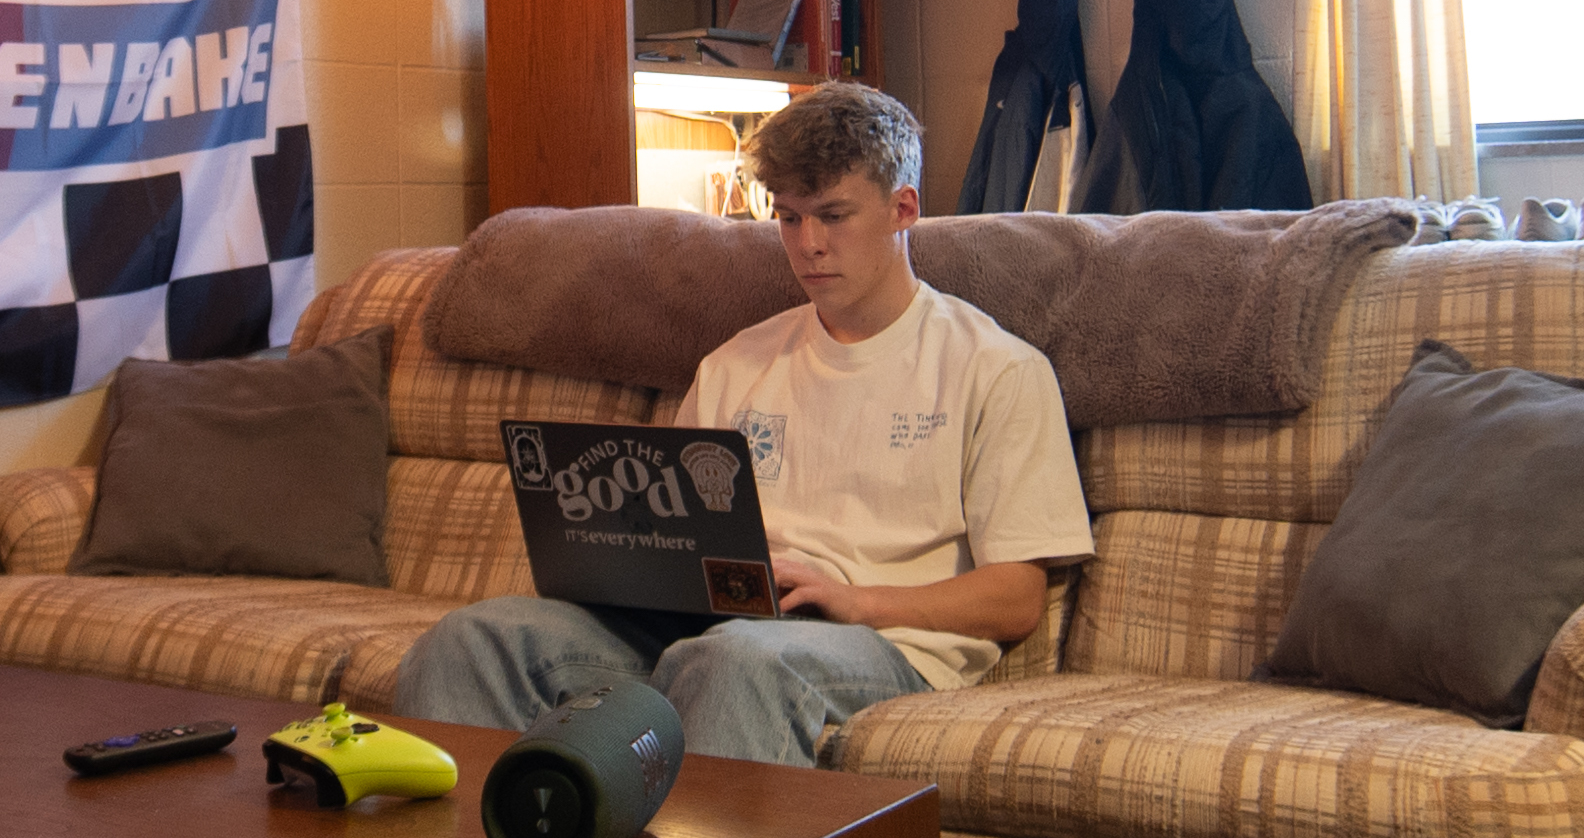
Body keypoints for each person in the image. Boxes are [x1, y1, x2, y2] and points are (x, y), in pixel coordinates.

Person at [396, 79, 1094, 768]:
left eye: (834, 215)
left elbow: (1015, 599)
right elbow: (666, 535)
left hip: (881, 639)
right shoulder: (737, 362)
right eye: (789, 218)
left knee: (735, 661)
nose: (808, 244)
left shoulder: (996, 368)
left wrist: (854, 600)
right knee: (473, 638)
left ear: (902, 209)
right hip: (711, 626)